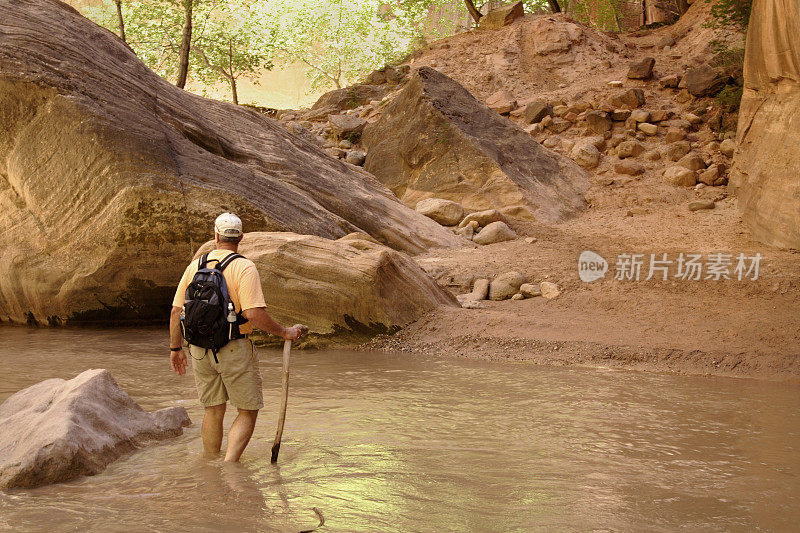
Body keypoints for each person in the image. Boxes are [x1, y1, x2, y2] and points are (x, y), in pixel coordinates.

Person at [168, 212, 303, 462]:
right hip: (233, 347)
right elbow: (253, 313)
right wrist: (285, 332)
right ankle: (230, 466)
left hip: (198, 350)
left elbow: (177, 310)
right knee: (248, 409)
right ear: (241, 237)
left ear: (216, 236)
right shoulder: (244, 267)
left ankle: (211, 465)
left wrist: (175, 349)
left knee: (213, 409)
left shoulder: (195, 265)